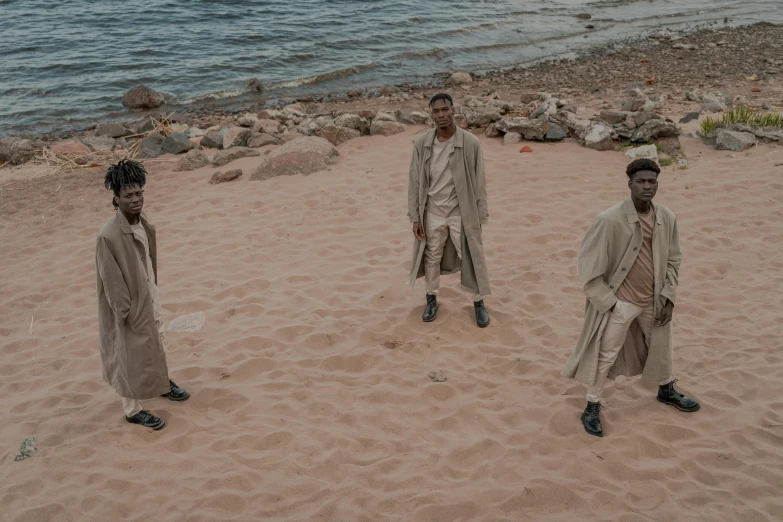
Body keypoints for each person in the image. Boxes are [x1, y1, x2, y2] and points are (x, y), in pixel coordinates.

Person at [561, 158, 700, 438]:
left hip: (655, 299)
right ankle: (592, 404)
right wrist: (611, 304)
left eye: (652, 181)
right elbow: (588, 267)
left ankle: (665, 389)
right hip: (620, 302)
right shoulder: (608, 220)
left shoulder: (666, 217)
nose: (647, 186)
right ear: (630, 185)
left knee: (660, 345)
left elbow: (673, 259)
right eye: (641, 181)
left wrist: (668, 297)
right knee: (606, 354)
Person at [96, 160, 189, 430]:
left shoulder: (143, 221)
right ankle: (132, 410)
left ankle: (160, 384)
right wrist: (126, 312)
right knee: (128, 353)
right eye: (128, 195)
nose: (136, 200)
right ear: (116, 198)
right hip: (130, 307)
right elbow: (111, 281)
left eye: (139, 193)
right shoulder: (108, 235)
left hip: (150, 295)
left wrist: (152, 293)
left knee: (158, 338)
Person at [407, 93, 491, 327]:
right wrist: (415, 217)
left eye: (445, 110)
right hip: (432, 211)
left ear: (453, 110)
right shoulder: (422, 143)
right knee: (431, 255)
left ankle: (478, 302)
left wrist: (480, 216)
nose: (441, 115)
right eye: (436, 111)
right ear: (430, 114)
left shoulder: (470, 143)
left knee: (471, 256)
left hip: (461, 213)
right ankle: (431, 298)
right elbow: (414, 182)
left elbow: (480, 181)